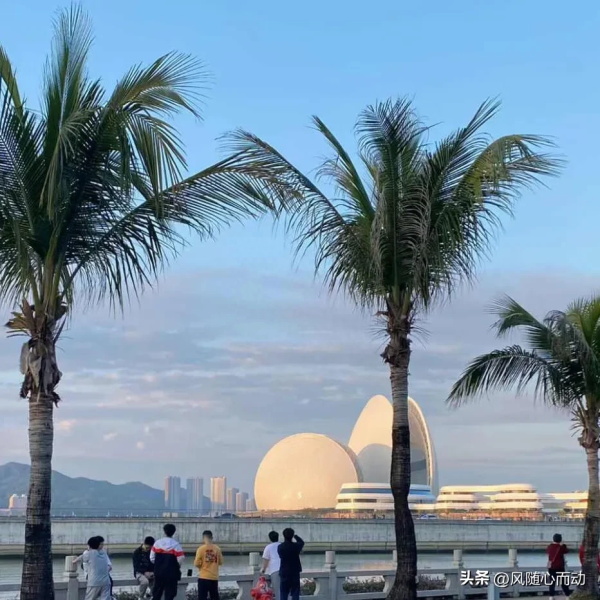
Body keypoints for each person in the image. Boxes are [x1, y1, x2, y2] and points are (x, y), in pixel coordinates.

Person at [151, 524, 185, 600]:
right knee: (170, 595)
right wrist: (176, 565)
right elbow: (181, 558)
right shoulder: (176, 544)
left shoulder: (157, 543)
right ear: (174, 532)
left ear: (164, 531)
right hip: (171, 573)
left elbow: (152, 558)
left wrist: (159, 564)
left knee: (156, 594)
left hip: (159, 572)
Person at [73, 535, 112, 600]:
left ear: (89, 545)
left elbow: (81, 557)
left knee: (90, 598)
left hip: (94, 582)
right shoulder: (104, 552)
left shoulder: (89, 553)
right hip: (106, 581)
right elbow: (109, 566)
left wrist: (74, 561)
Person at [194, 529, 224, 600]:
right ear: (212, 537)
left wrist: (201, 566)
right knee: (214, 597)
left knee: (202, 597)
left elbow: (196, 563)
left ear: (203, 538)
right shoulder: (217, 549)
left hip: (203, 577)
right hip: (214, 577)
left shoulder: (201, 549)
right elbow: (221, 562)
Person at [277, 528, 304, 600]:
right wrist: (296, 536)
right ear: (292, 536)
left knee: (283, 593)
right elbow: (301, 542)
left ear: (283, 536)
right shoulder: (296, 546)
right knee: (295, 592)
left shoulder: (280, 547)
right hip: (295, 572)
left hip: (284, 571)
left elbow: (280, 556)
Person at [547, 533, 571, 600]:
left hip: (551, 567)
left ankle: (551, 596)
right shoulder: (561, 547)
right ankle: (567, 595)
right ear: (560, 540)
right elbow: (566, 551)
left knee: (552, 582)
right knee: (563, 582)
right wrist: (563, 545)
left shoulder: (549, 546)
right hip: (560, 567)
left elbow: (548, 552)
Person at [260, 531, 281, 600]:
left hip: (275, 570)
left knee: (277, 590)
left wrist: (263, 570)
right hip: (285, 569)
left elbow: (266, 560)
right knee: (285, 590)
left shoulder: (268, 547)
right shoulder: (282, 545)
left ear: (270, 538)